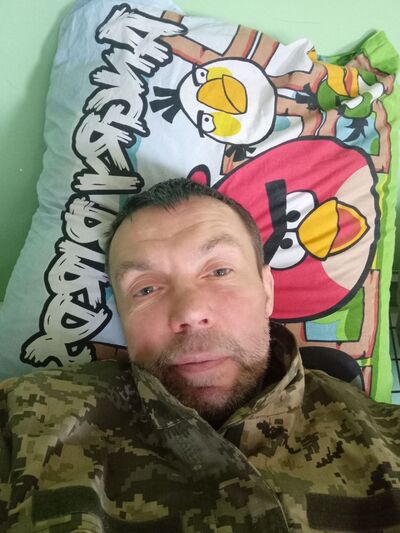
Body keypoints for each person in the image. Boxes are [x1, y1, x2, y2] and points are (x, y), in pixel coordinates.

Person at [1, 178, 399, 532]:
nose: (190, 313)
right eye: (146, 289)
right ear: (122, 315)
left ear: (267, 291)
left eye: (219, 271)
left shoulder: (388, 440)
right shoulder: (23, 424)